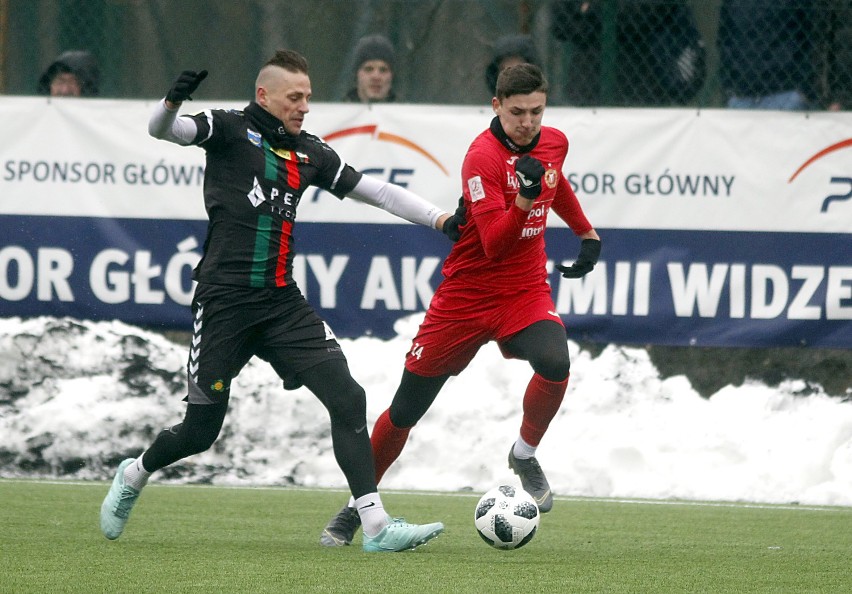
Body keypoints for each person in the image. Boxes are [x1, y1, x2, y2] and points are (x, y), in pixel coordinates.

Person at [99, 49, 466, 552]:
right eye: (295, 98)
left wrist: (442, 221)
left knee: (348, 397)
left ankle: (376, 527)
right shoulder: (227, 129)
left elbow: (377, 192)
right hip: (224, 304)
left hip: (280, 305)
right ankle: (135, 472)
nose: (304, 107)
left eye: (308, 98)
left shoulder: (310, 152)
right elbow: (165, 131)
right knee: (200, 431)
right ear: (263, 95)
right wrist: (170, 102)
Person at [320, 63, 601, 547]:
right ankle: (354, 509)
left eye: (536, 111)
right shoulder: (482, 159)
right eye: (517, 113)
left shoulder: (553, 141)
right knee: (406, 409)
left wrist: (584, 230)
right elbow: (493, 242)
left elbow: (554, 183)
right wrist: (523, 200)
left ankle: (524, 454)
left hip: (523, 290)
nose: (528, 122)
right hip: (466, 296)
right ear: (497, 106)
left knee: (556, 360)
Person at [550, 0, 706, 106]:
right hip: (586, 86)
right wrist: (605, 18)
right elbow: (561, 23)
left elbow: (642, 16)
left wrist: (590, 9)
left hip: (643, 85)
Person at [718, 0, 817, 111]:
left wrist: (804, 89)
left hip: (786, 92)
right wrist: (729, 86)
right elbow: (724, 39)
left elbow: (811, 35)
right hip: (741, 94)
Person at [344, 34, 396, 103]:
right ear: (356, 74)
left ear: (391, 76)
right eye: (368, 69)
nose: (376, 77)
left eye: (383, 70)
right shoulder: (337, 112)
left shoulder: (407, 112)